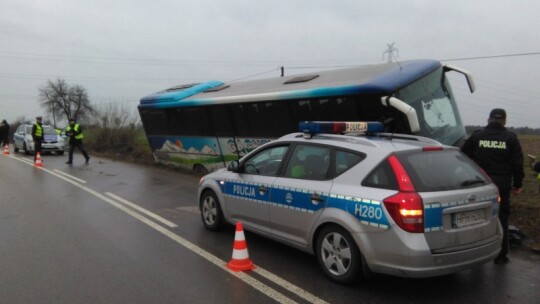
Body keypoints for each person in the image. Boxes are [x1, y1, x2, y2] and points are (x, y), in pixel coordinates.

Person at [461, 108, 524, 265]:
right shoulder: (510, 139)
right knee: (502, 217)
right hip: (501, 185)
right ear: (504, 121)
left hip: (479, 184)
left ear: (489, 120)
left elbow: (462, 157)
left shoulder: (477, 136)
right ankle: (501, 256)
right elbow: (518, 164)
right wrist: (517, 185)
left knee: (475, 218)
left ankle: (476, 254)